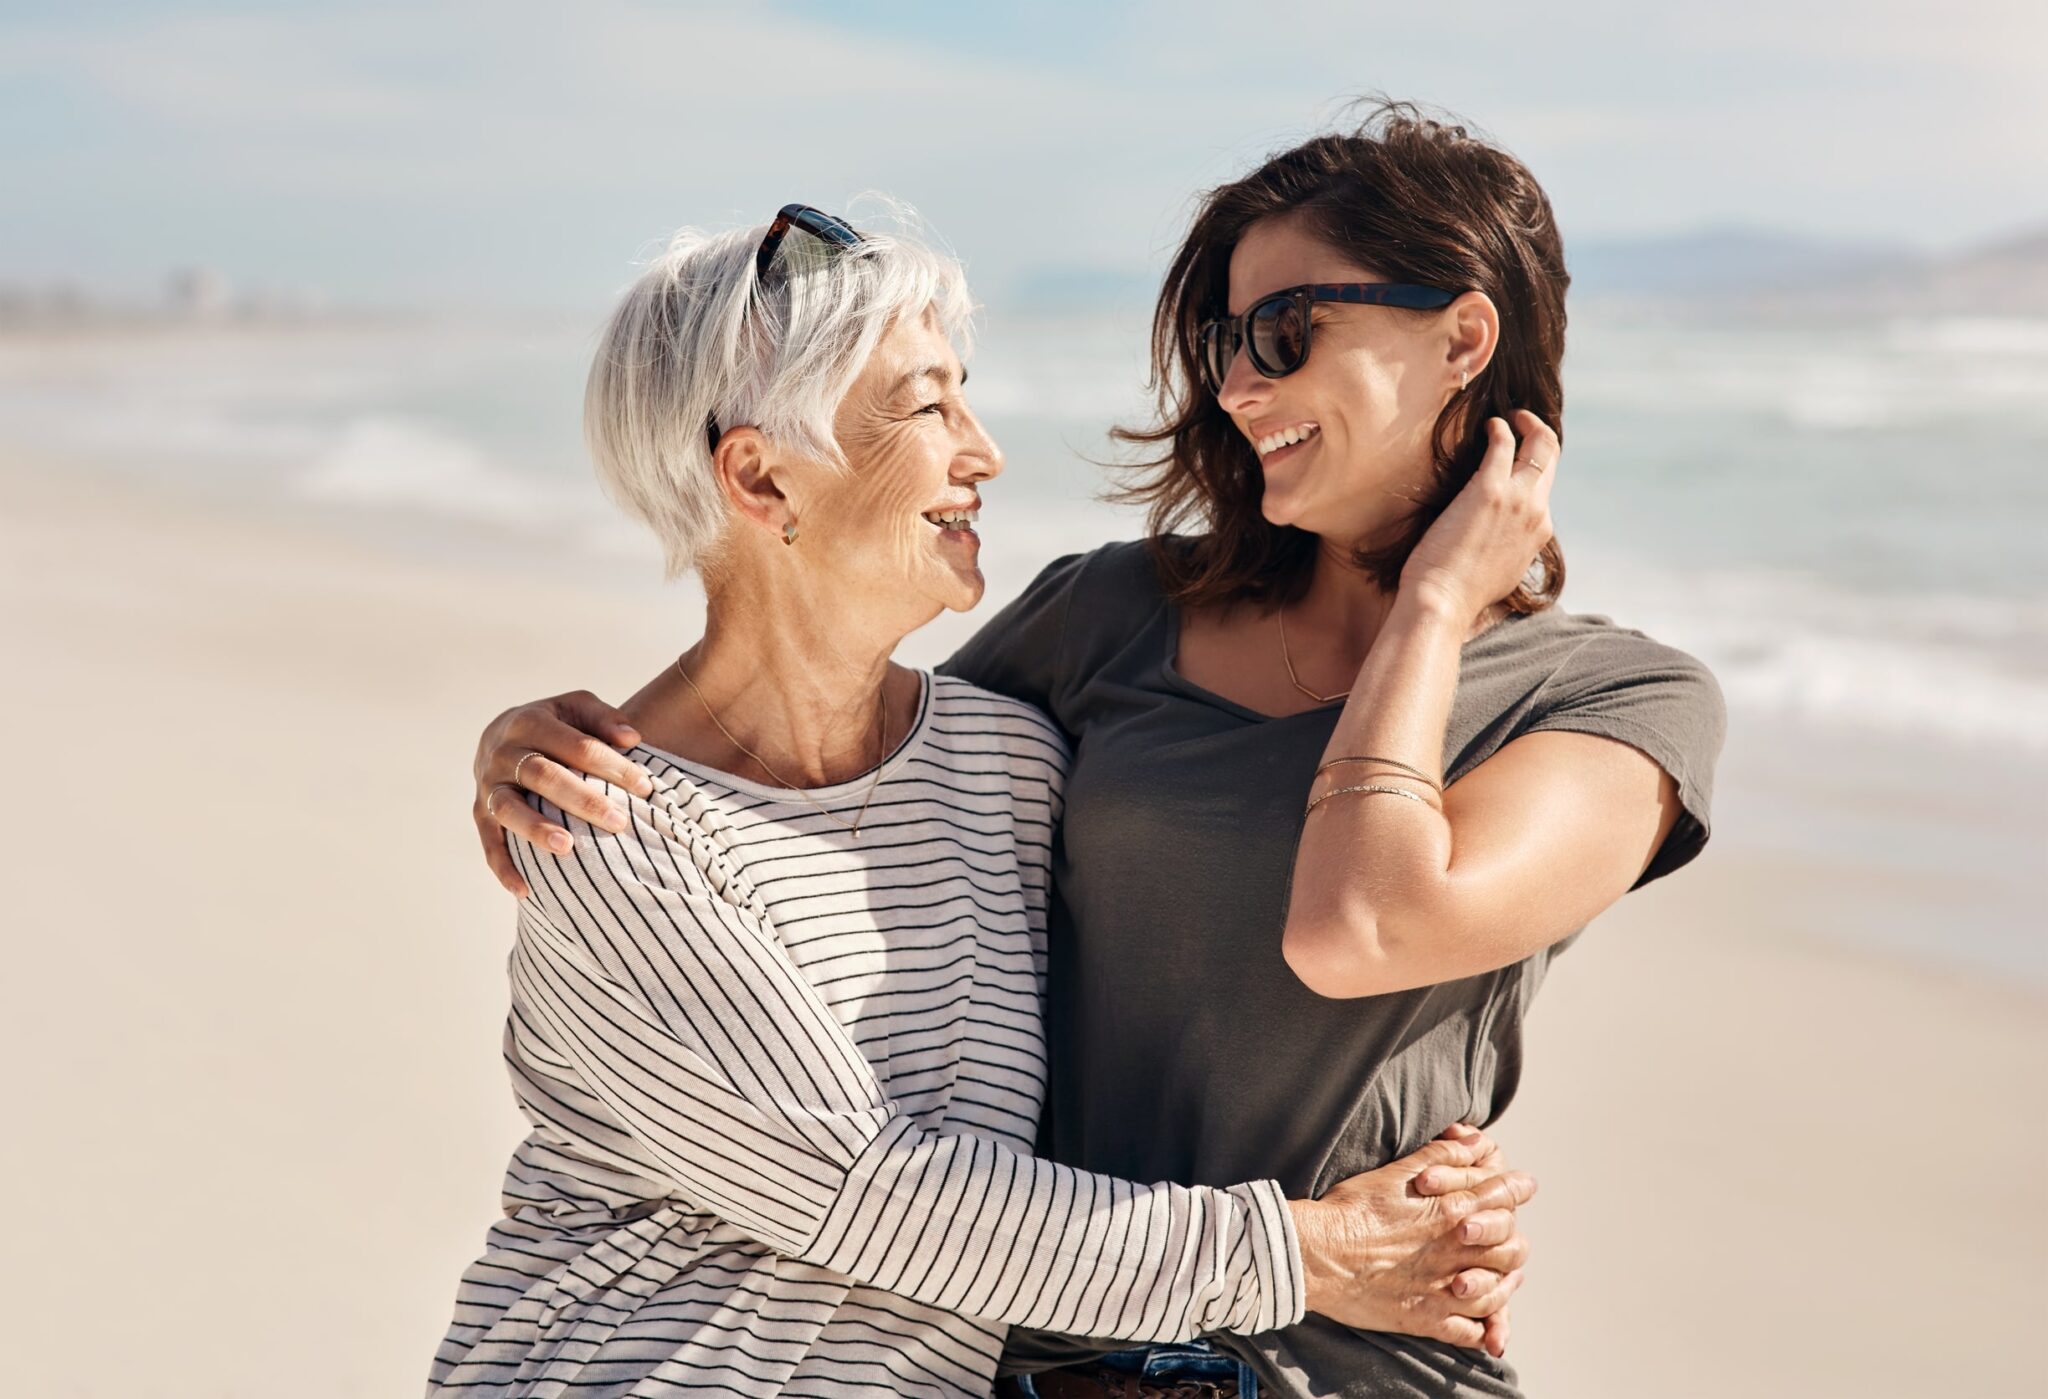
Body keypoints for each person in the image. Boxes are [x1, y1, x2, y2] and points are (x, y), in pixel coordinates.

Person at [429, 197, 1536, 1399]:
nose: (983, 450)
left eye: (967, 393)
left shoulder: (1007, 763)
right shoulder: (606, 828)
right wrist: (1312, 1255)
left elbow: (1208, 905)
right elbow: (868, 1193)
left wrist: (1423, 1175)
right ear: (758, 477)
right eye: (925, 406)